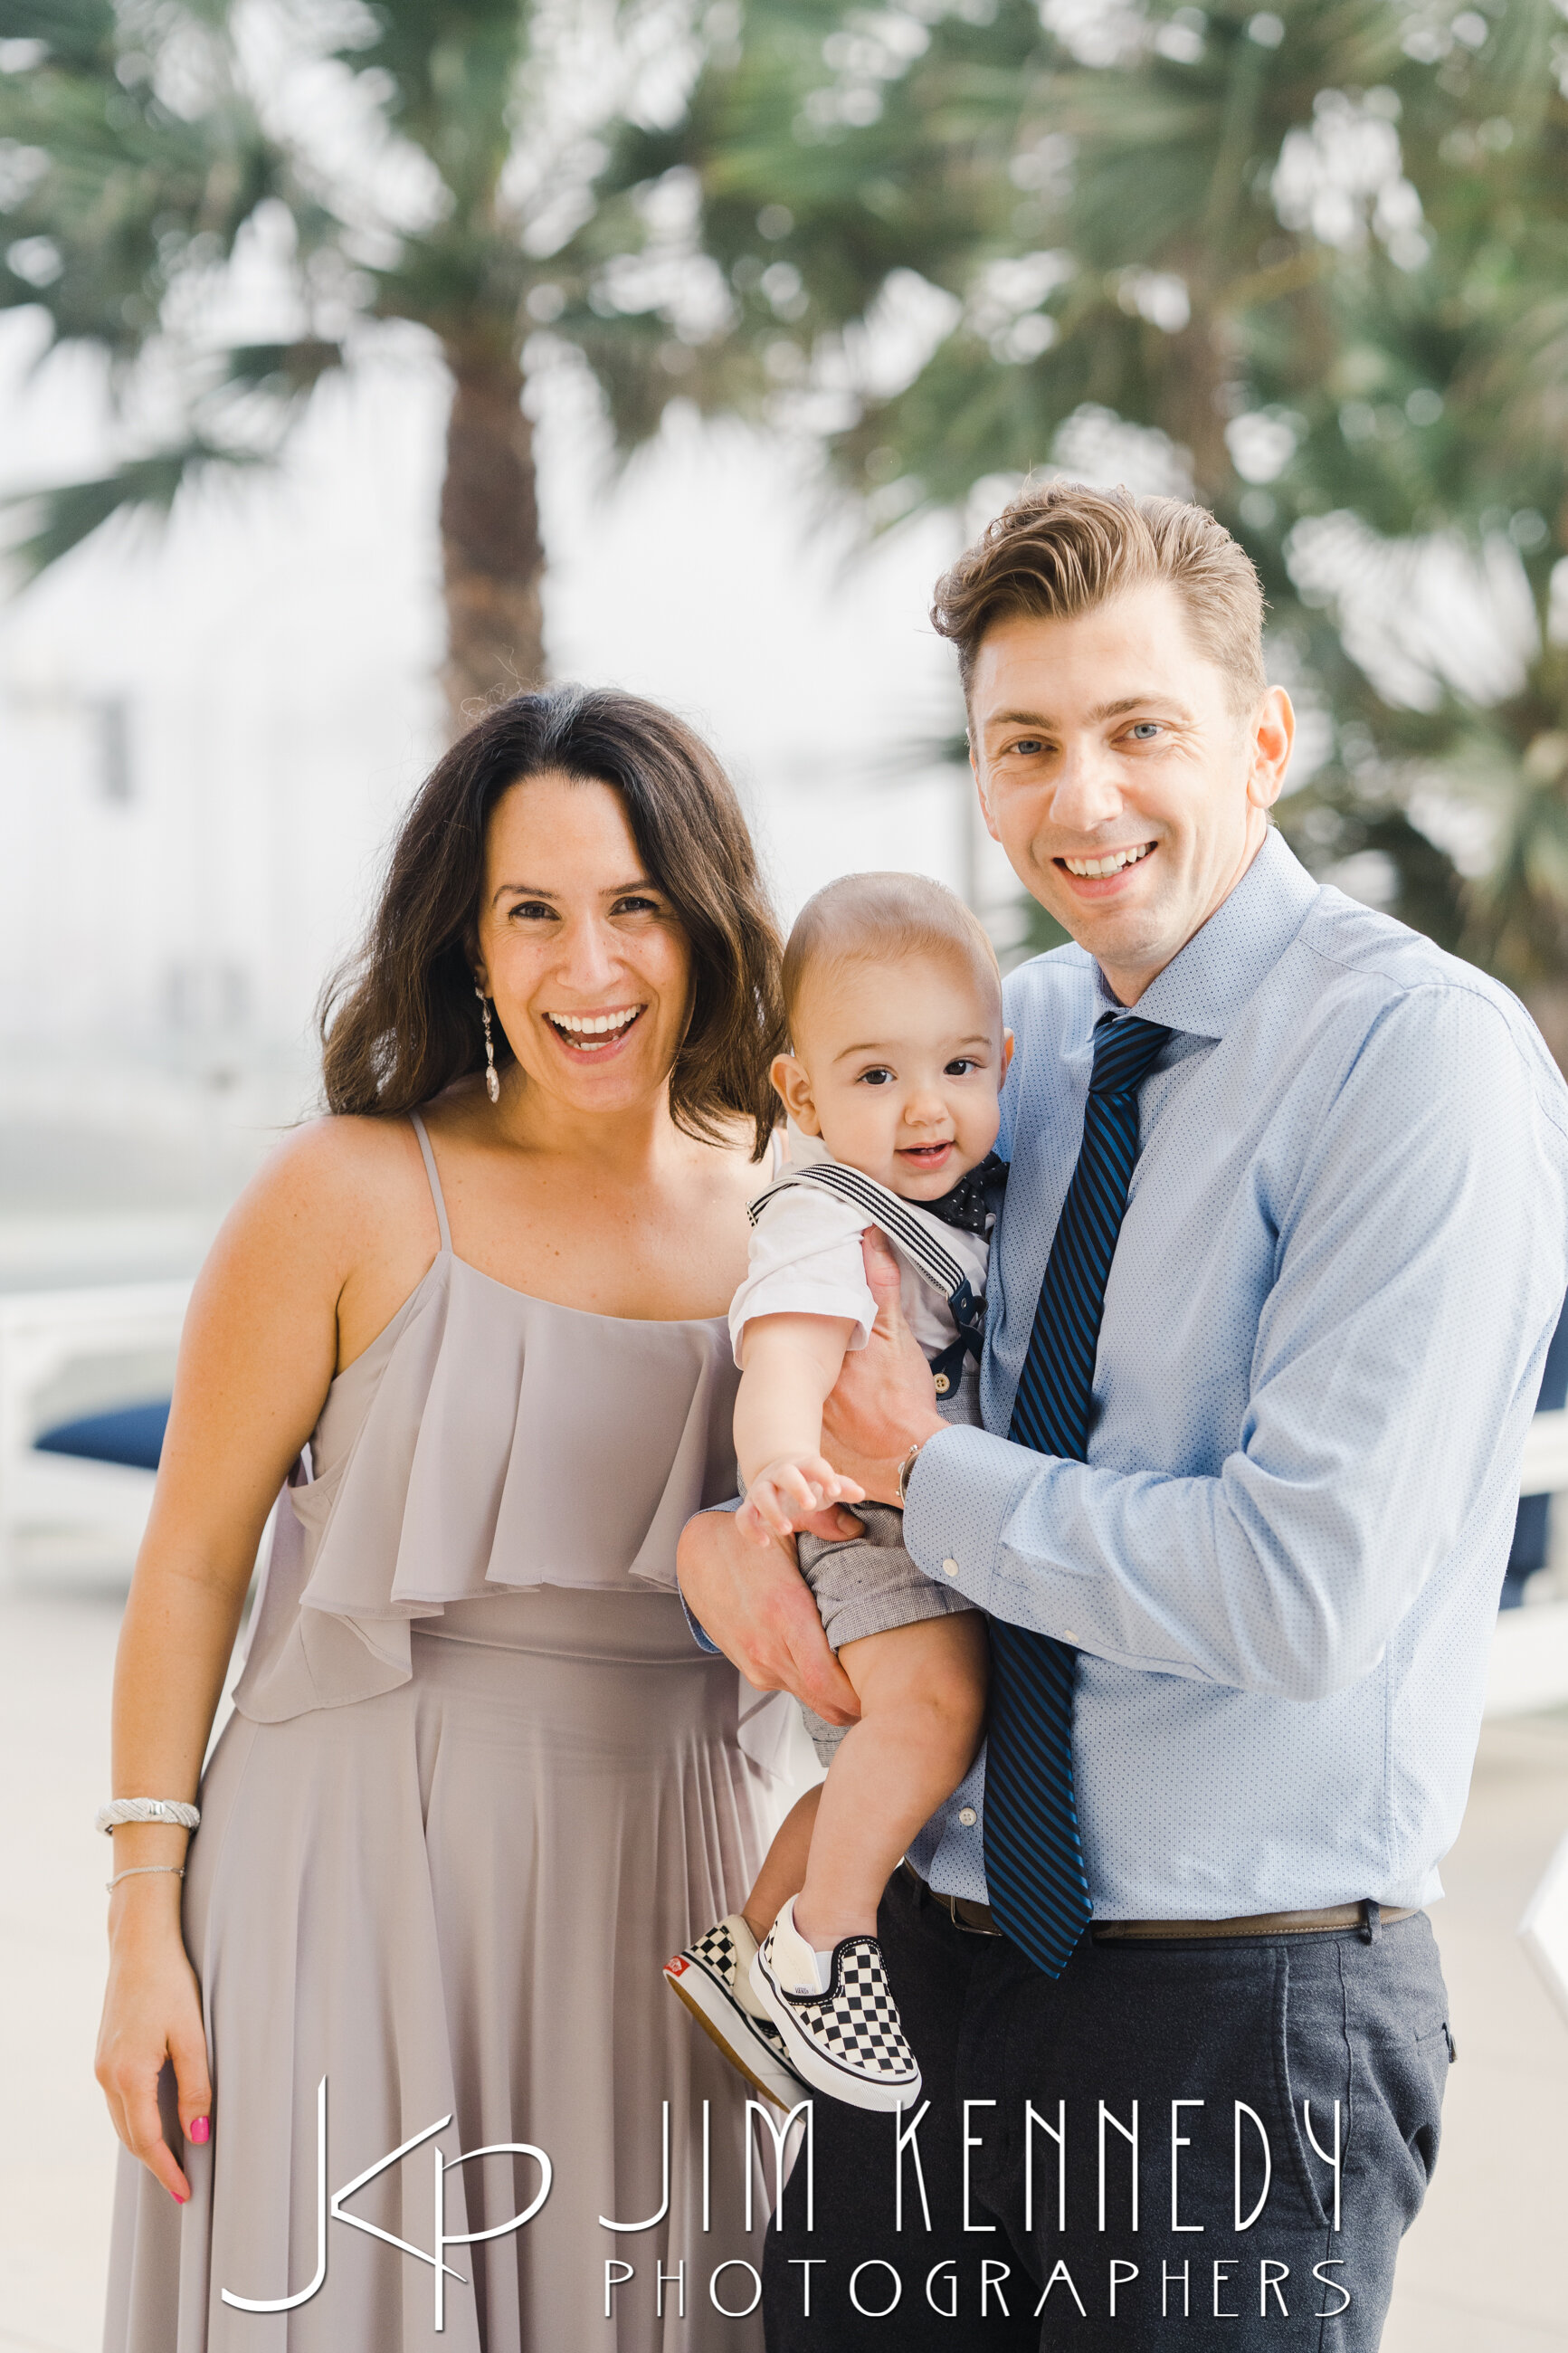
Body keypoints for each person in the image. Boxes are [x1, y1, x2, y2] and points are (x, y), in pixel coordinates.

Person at [677, 483, 1568, 2351]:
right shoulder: (994, 1048)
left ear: (1263, 739)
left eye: (1138, 728)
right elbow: (811, 1298)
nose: (1081, 800)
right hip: (924, 1976)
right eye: (1026, 745)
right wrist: (726, 1528)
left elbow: (1301, 1593)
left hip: (1232, 2018)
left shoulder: (1421, 1063)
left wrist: (930, 1475)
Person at [94, 686, 813, 2351]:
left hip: (672, 1893)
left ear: (705, 922)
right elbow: (188, 1568)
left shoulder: (792, 1207)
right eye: (531, 912)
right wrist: (142, 1934)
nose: (589, 966)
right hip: (344, 1881)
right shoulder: (341, 1194)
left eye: (635, 905)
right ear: (467, 943)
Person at [664, 875, 1001, 2114]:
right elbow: (785, 1361)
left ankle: (747, 1951)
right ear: (800, 1096)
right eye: (875, 1076)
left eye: (960, 1065)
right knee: (934, 1713)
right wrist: (775, 1465)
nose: (926, 1106)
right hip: (866, 1528)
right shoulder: (827, 1216)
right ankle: (824, 1948)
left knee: (882, 1764)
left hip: (935, 1521)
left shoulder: (959, 1203)